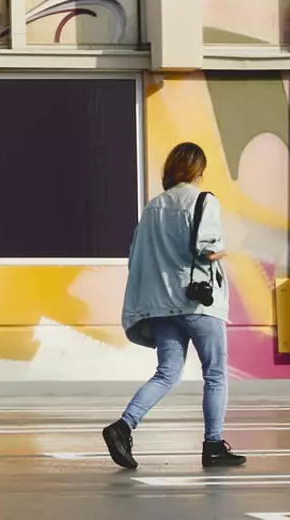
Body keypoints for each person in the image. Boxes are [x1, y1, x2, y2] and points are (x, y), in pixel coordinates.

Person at [102, 141, 246, 470]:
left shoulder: (152, 208)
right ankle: (213, 446)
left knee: (167, 373)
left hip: (162, 307)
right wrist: (220, 253)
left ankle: (123, 426)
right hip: (197, 303)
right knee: (215, 375)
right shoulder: (203, 201)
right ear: (197, 171)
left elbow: (135, 257)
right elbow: (207, 249)